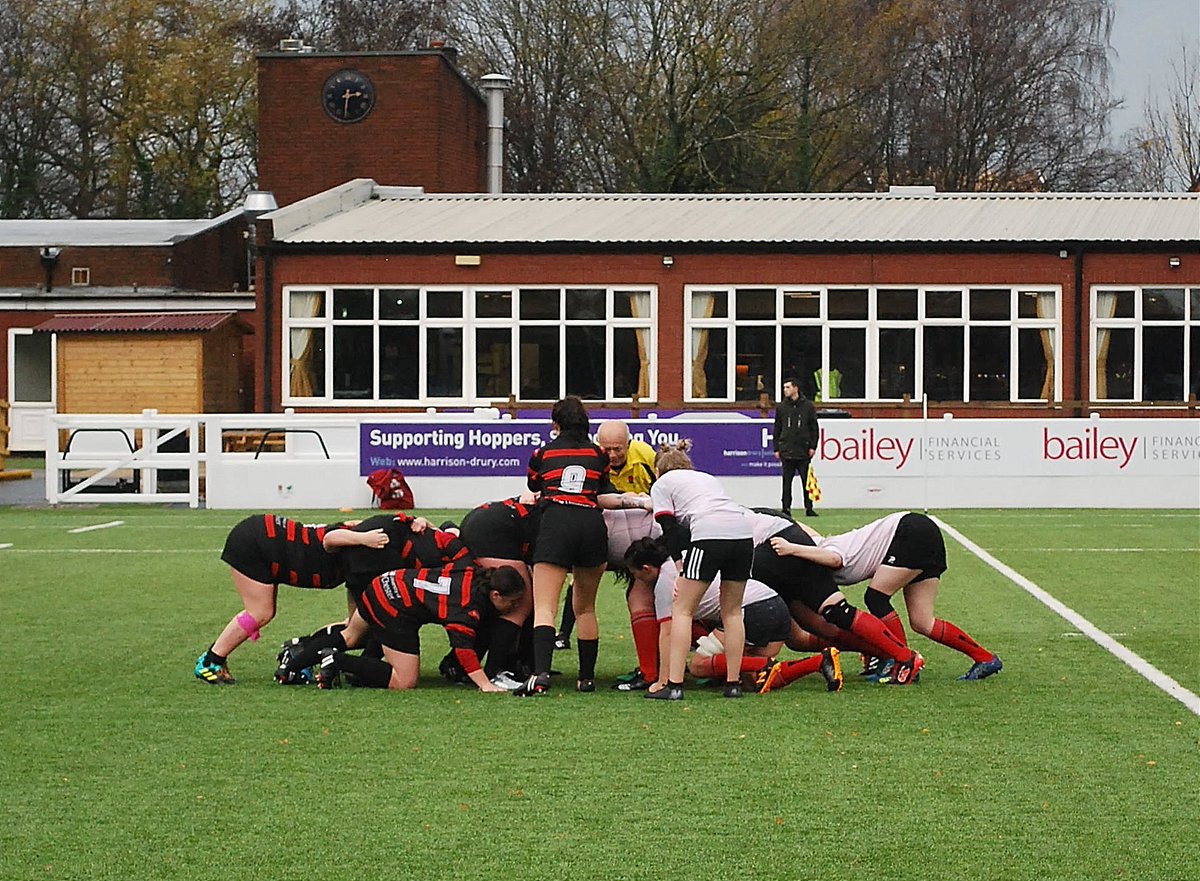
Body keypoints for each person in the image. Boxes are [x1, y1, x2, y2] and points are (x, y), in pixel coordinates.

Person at [769, 511, 1003, 681]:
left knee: (876, 598)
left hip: (910, 533)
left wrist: (791, 548)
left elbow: (834, 560)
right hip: (921, 535)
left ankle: (901, 659)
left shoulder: (826, 549)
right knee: (923, 622)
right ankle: (984, 658)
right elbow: (799, 527)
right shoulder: (818, 545)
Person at [515, 396, 647, 697]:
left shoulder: (542, 453)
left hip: (556, 523)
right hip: (591, 526)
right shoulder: (598, 454)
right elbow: (601, 490)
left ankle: (541, 675)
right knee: (585, 607)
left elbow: (535, 487)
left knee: (545, 607)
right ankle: (586, 678)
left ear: (555, 425)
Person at [623, 536, 841, 693]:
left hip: (753, 610)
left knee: (699, 666)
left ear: (647, 568)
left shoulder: (664, 584)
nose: (638, 581)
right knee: (754, 682)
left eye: (635, 575)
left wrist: (663, 681)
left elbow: (668, 633)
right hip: (776, 605)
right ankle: (819, 662)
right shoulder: (686, 556)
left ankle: (763, 664)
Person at [194, 513, 388, 684]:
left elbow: (354, 624)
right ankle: (211, 660)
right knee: (260, 612)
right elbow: (330, 538)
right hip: (258, 543)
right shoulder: (352, 545)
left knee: (356, 625)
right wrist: (365, 538)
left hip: (268, 541)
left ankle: (301, 649)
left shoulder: (358, 567)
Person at [744, 507, 926, 685]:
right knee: (803, 634)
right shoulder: (735, 517)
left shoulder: (745, 522)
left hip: (784, 550)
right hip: (770, 556)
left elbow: (831, 557)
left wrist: (794, 547)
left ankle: (904, 657)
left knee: (839, 611)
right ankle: (885, 653)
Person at [641, 440, 753, 700]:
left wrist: (680, 569)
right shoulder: (706, 478)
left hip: (709, 533)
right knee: (733, 611)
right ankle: (733, 684)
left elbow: (669, 528)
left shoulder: (661, 484)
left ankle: (674, 685)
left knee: (682, 608)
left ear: (658, 470)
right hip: (742, 533)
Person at [317, 563, 527, 692]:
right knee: (404, 681)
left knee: (350, 636)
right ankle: (336, 660)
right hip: (394, 602)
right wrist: (485, 684)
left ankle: (301, 653)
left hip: (384, 582)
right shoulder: (467, 606)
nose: (515, 607)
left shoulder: (473, 573)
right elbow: (463, 648)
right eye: (513, 602)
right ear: (495, 595)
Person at [556, 419, 656, 650]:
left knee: (646, 580)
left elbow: (665, 486)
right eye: (606, 449)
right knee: (580, 578)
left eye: (617, 449)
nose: (611, 455)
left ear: (629, 444)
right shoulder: (591, 459)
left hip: (640, 530)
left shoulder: (645, 455)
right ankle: (563, 634)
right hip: (603, 525)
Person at [773, 376, 819, 517]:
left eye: (788, 387)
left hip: (803, 449)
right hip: (787, 449)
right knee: (786, 482)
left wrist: (812, 446)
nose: (785, 390)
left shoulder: (808, 406)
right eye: (784, 387)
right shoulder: (781, 407)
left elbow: (814, 428)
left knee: (806, 481)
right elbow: (777, 428)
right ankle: (786, 508)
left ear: (795, 388)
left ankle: (809, 507)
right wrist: (776, 448)